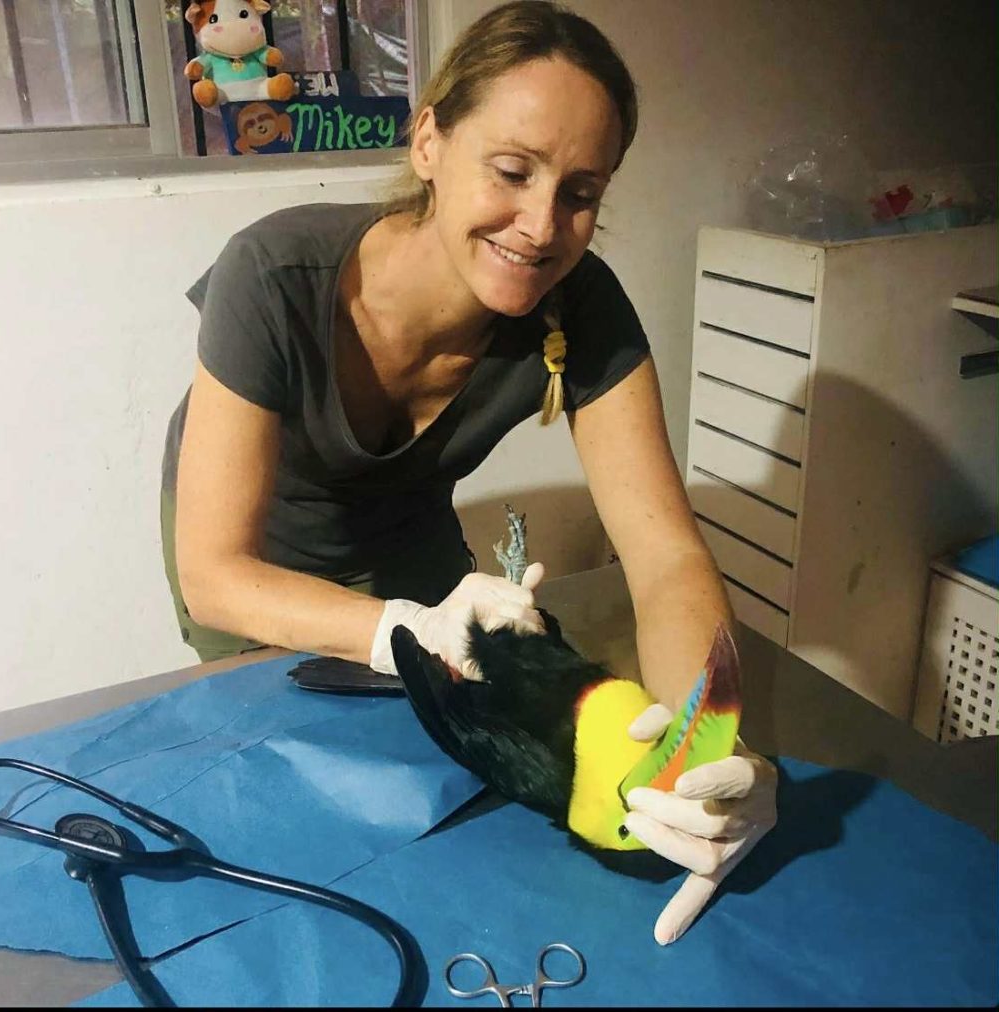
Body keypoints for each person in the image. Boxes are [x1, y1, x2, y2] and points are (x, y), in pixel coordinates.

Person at [161, 0, 776, 946]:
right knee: (296, 792)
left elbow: (663, 558)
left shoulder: (583, 307)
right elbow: (215, 571)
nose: (541, 226)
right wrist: (398, 625)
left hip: (408, 533)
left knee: (449, 776)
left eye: (580, 191)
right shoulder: (272, 275)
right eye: (511, 170)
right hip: (258, 554)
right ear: (429, 142)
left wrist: (707, 747)